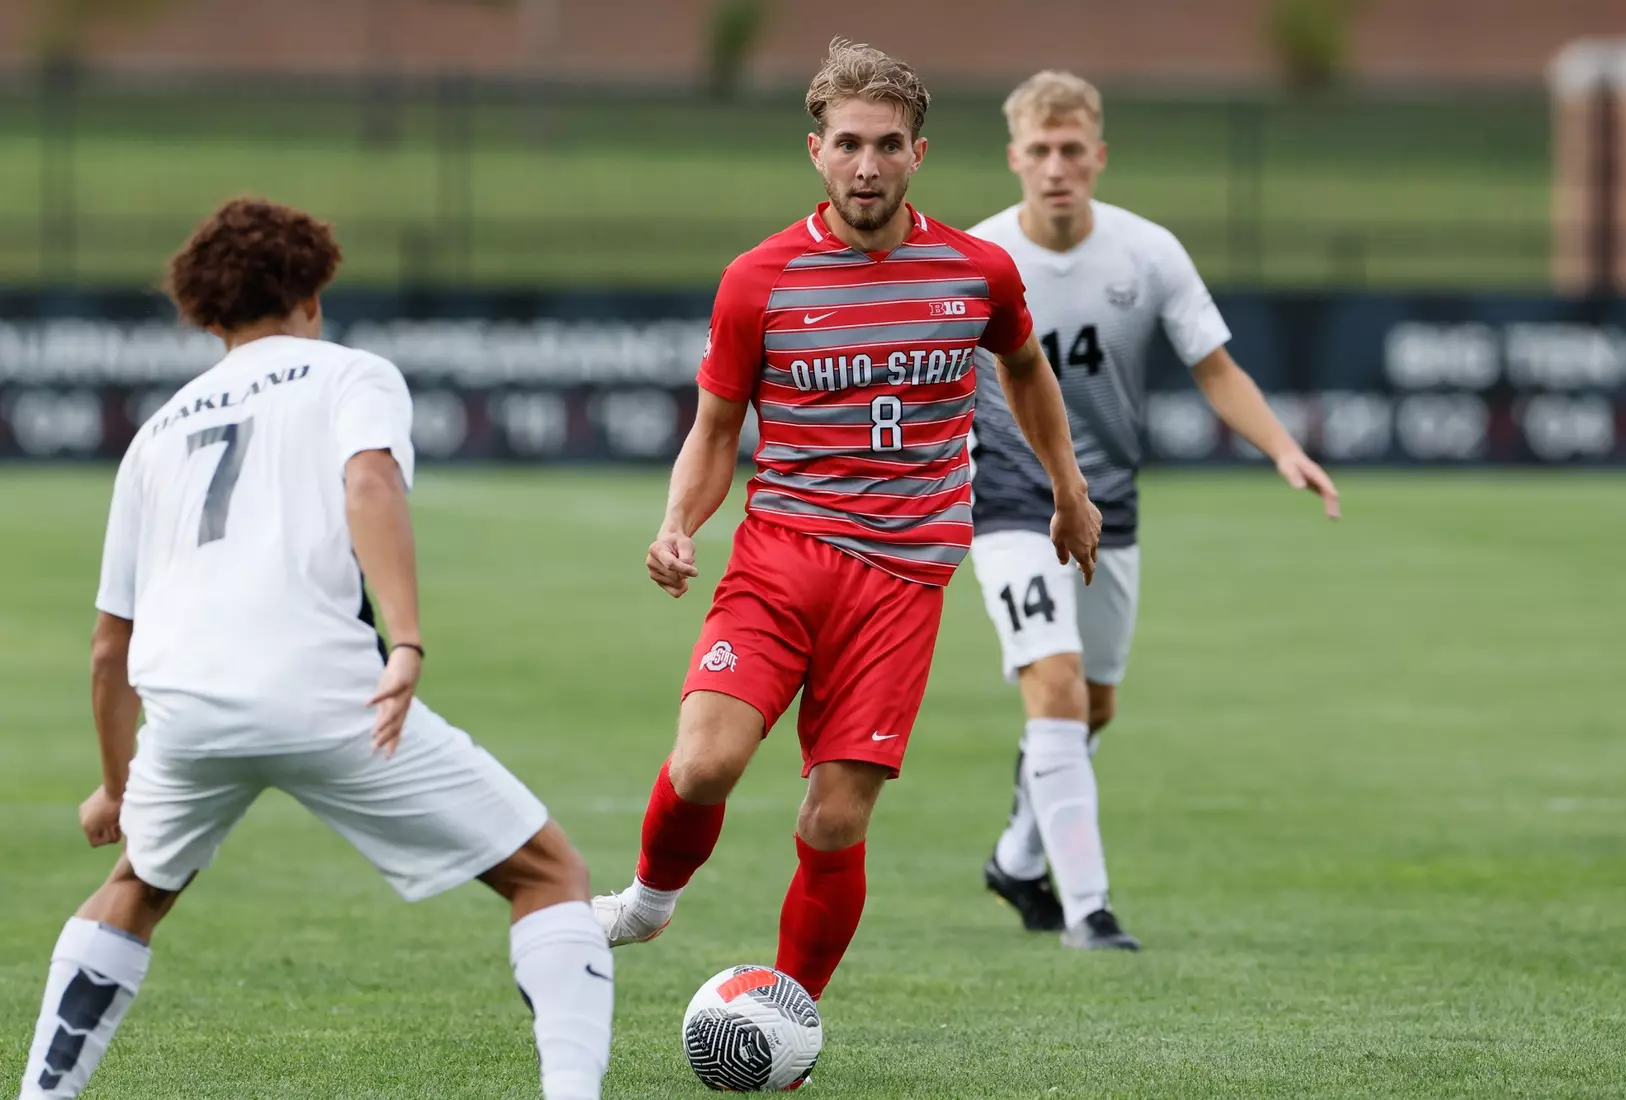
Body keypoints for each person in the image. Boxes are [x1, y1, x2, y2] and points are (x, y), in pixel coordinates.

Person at [15, 199, 612, 1100]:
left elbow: (110, 646)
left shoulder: (156, 432)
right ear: (312, 293)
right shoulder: (350, 374)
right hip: (328, 693)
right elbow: (370, 479)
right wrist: (405, 639)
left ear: (208, 315)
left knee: (134, 885)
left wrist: (117, 783)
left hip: (187, 709)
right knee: (550, 872)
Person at [592, 39, 1101, 1008]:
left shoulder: (978, 273)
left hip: (903, 585)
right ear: (817, 150)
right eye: (849, 144)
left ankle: (786, 1016)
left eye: (888, 144)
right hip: (781, 558)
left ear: (919, 153)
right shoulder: (759, 280)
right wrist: (677, 521)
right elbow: (714, 428)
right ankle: (650, 901)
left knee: (832, 820)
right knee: (704, 763)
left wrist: (1067, 489)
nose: (867, 165)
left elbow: (1026, 370)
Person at [967, 72, 1341, 949]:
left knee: (1094, 708)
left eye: (1072, 151)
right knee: (1053, 687)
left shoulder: (1149, 253)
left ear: (1097, 156)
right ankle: (1088, 909)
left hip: (1112, 505)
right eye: (1040, 152)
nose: (1057, 168)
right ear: (1014, 158)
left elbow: (1215, 367)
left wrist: (1283, 449)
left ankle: (1016, 860)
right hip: (1013, 501)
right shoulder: (980, 258)